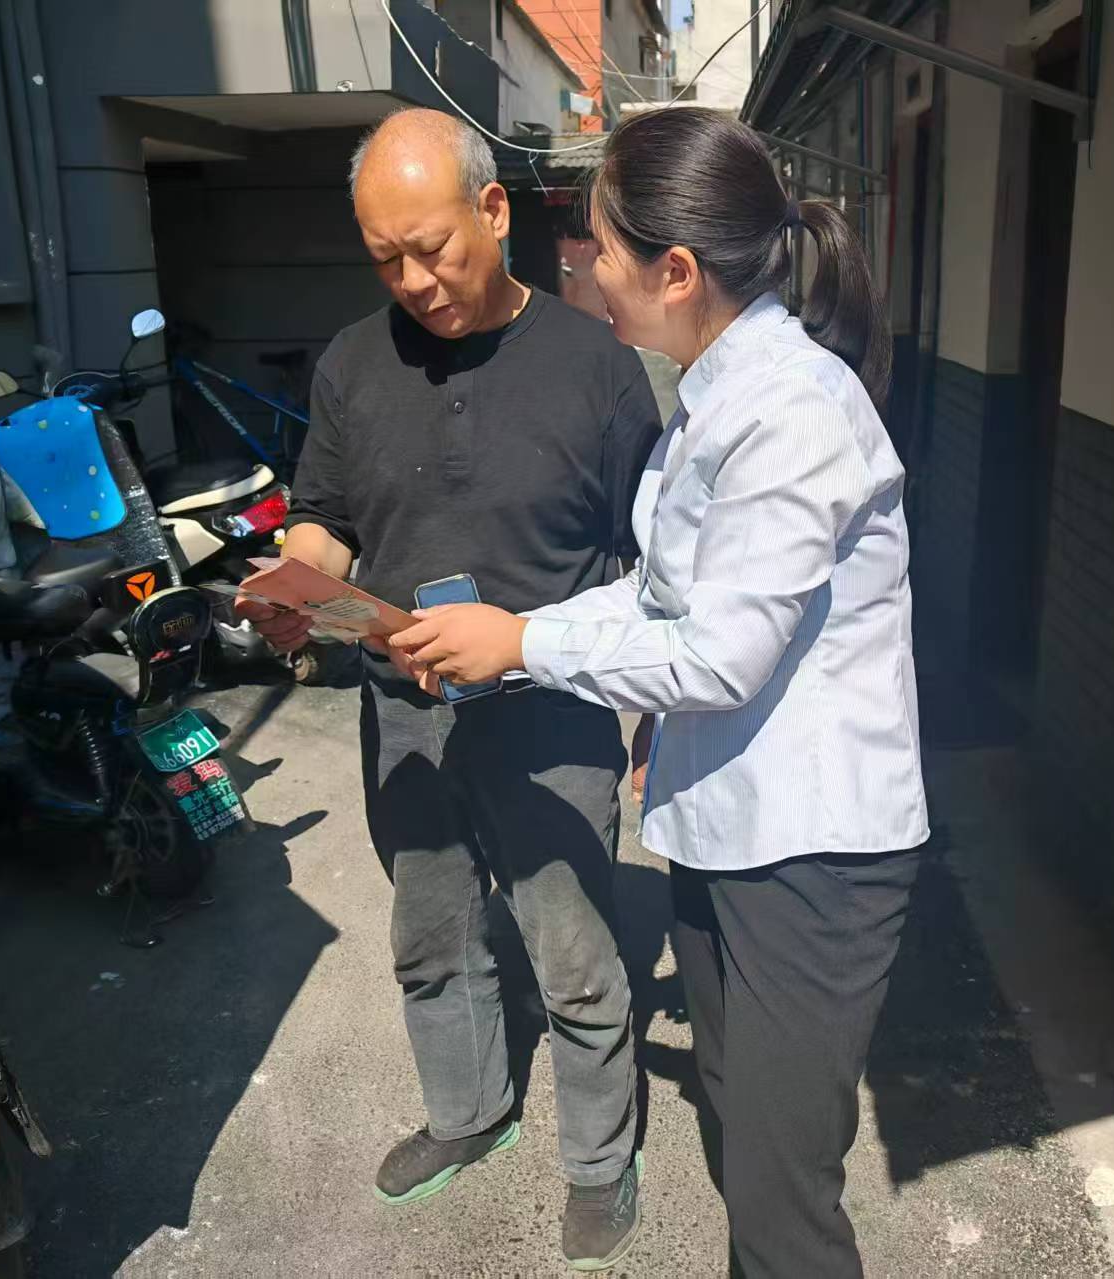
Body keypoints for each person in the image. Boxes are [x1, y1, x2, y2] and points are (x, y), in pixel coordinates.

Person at [389, 107, 929, 1279]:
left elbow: (718, 653)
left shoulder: (789, 410)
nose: (582, 266)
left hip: (813, 858)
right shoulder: (713, 391)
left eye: (596, 244)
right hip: (733, 830)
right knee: (741, 1139)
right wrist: (512, 637)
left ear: (674, 270)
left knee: (784, 1204)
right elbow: (655, 598)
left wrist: (521, 643)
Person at [235, 109, 660, 1271]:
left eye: (430, 249)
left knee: (571, 946)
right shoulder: (351, 363)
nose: (415, 283)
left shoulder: (596, 367)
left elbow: (656, 562)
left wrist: (642, 708)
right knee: (429, 928)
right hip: (404, 706)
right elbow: (324, 516)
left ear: (493, 209)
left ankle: (598, 1158)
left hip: (548, 703)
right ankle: (468, 1109)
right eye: (386, 260)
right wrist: (297, 583)